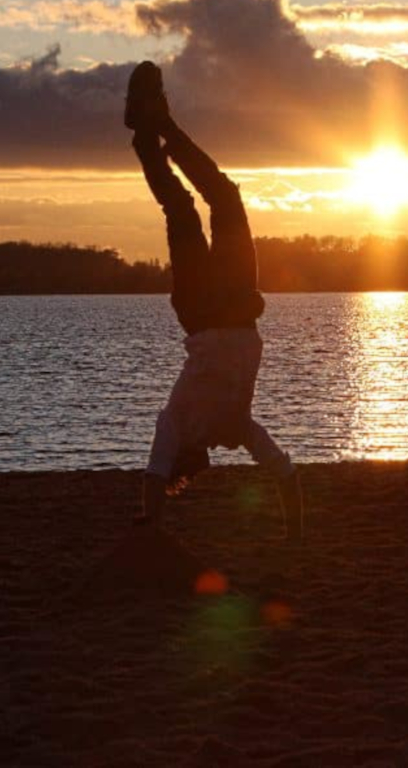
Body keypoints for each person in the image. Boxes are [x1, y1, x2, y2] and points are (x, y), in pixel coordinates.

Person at [125, 61, 304, 541]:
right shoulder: (235, 427)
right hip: (235, 307)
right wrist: (296, 531)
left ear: (190, 457)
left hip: (206, 314)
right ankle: (156, 125)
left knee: (186, 208)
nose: (203, 462)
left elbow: (155, 476)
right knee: (221, 198)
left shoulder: (176, 424)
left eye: (194, 466)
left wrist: (150, 527)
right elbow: (284, 471)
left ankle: (149, 134)